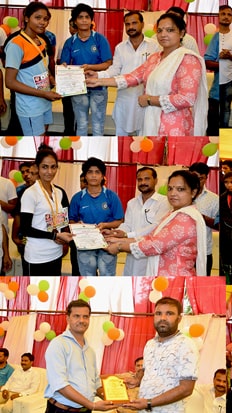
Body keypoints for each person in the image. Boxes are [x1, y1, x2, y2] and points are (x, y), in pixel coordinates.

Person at [86, 12, 208, 136]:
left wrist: (150, 100)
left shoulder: (188, 59)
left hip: (174, 126)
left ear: (181, 33)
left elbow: (187, 98)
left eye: (170, 30)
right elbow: (132, 77)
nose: (163, 34)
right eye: (159, 30)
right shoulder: (156, 57)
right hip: (150, 121)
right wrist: (98, 80)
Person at [104, 170, 207, 276]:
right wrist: (116, 239)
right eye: (170, 189)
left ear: (193, 192)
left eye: (180, 189)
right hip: (160, 271)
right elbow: (151, 237)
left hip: (175, 277)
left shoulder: (185, 218)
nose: (173, 193)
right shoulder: (172, 213)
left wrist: (119, 246)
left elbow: (155, 245)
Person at [122, 297, 198, 413]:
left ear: (179, 318)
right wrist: (137, 380)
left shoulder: (186, 345)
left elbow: (186, 389)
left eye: (169, 313)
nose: (163, 318)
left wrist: (149, 403)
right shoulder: (150, 344)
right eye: (158, 313)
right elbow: (146, 370)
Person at [95, 11, 160, 136]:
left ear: (142, 24)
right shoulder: (120, 47)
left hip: (146, 99)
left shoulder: (154, 46)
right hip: (125, 98)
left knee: (144, 136)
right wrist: (97, 75)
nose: (131, 27)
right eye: (127, 24)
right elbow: (115, 70)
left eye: (134, 23)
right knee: (121, 135)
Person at [44, 300, 115, 412]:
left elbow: (95, 383)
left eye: (85, 317)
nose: (81, 320)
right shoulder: (58, 344)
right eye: (76, 316)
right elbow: (60, 385)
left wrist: (115, 399)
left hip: (85, 409)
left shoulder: (90, 351)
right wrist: (92, 405)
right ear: (68, 318)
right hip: (61, 410)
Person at [4, 2, 62, 135]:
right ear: (26, 18)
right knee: (35, 139)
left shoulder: (41, 40)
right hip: (30, 105)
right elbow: (10, 82)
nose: (42, 22)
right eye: (38, 17)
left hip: (45, 101)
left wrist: (52, 79)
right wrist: (44, 94)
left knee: (43, 135)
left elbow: (43, 66)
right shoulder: (16, 44)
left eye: (46, 19)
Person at [101, 167, 169, 276]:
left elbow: (155, 227)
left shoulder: (164, 202)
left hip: (151, 253)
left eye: (147, 179)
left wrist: (126, 235)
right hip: (132, 253)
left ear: (155, 180)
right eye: (140, 179)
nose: (143, 182)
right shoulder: (132, 203)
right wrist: (115, 232)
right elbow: (127, 225)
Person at [59, 3, 112, 136]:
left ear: (91, 20)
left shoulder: (100, 39)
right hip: (78, 88)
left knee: (98, 125)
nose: (84, 20)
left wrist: (90, 67)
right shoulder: (70, 42)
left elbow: (108, 63)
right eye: (80, 17)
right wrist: (64, 68)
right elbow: (64, 64)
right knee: (81, 124)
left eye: (87, 17)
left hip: (98, 87)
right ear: (75, 21)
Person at [20, 148, 73, 276]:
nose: (49, 171)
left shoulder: (59, 192)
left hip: (56, 253)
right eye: (45, 167)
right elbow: (25, 229)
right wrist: (54, 236)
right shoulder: (30, 193)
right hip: (37, 256)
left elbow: (63, 222)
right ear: (36, 168)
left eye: (53, 167)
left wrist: (69, 234)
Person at [69, 157, 123, 276]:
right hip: (85, 242)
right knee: (87, 276)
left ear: (102, 176)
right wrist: (79, 226)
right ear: (85, 176)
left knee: (107, 275)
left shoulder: (111, 196)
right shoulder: (77, 198)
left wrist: (105, 225)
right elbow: (72, 220)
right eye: (90, 172)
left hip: (107, 240)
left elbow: (119, 220)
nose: (93, 175)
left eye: (97, 172)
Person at [189, 163, 219, 276]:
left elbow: (218, 225)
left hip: (204, 251)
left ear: (206, 178)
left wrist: (201, 217)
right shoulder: (180, 195)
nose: (197, 181)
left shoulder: (214, 199)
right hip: (182, 252)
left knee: (203, 281)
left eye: (201, 178)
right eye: (194, 177)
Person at [216, 5, 232, 128]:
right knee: (213, 107)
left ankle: (224, 132)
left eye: (229, 14)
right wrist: (219, 56)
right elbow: (207, 59)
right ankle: (213, 133)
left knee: (226, 108)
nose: (226, 17)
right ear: (218, 16)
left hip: (229, 78)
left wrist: (229, 56)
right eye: (223, 14)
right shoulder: (214, 36)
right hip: (216, 77)